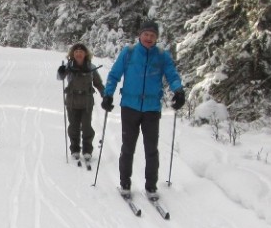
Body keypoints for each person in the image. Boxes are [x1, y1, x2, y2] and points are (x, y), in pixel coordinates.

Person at [101, 19, 186, 198]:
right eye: (146, 34)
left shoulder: (162, 55)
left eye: (152, 35)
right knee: (128, 148)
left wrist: (178, 91)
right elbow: (114, 74)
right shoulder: (129, 53)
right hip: (130, 107)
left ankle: (151, 186)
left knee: (151, 149)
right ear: (140, 35)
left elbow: (172, 74)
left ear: (156, 38)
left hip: (152, 108)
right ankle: (125, 183)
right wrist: (108, 94)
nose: (149, 38)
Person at [57, 43, 105, 163]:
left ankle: (87, 150)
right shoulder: (68, 66)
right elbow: (60, 77)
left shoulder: (91, 67)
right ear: (73, 54)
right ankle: (75, 149)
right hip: (72, 101)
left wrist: (105, 95)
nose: (79, 54)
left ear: (85, 54)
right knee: (73, 127)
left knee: (87, 127)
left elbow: (98, 83)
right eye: (76, 51)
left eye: (81, 52)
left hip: (87, 102)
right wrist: (61, 71)